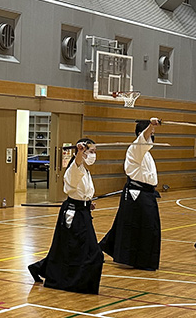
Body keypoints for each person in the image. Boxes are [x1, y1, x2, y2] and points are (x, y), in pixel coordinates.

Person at [29, 138, 104, 293]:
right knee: (93, 253)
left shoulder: (85, 169)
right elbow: (75, 170)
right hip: (73, 214)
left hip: (82, 211)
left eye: (94, 152)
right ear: (81, 152)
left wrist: (87, 203)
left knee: (65, 249)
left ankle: (41, 269)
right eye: (91, 151)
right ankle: (76, 283)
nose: (93, 155)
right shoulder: (74, 167)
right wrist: (80, 152)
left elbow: (81, 193)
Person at [100, 118, 162, 271]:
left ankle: (105, 248)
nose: (152, 136)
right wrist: (151, 126)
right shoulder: (135, 148)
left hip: (145, 193)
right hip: (137, 194)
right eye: (150, 133)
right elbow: (144, 139)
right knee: (142, 226)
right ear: (142, 134)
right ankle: (137, 259)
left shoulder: (146, 154)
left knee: (129, 225)